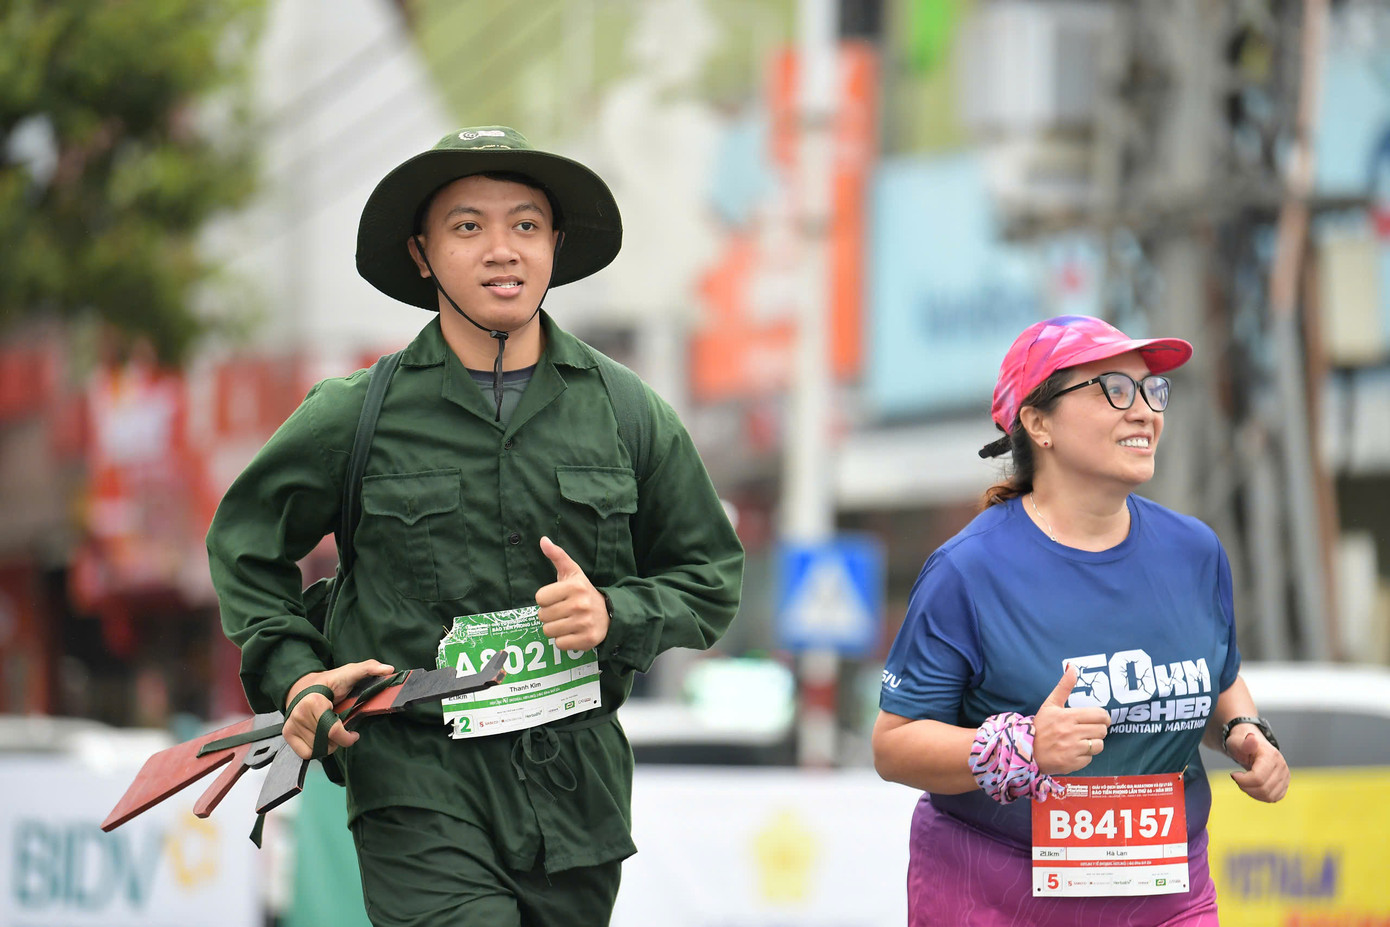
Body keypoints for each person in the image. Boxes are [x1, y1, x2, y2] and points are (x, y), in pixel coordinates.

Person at [207, 126, 744, 927]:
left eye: (526, 224)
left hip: (575, 794)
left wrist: (614, 613)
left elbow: (710, 577)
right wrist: (297, 676)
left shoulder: (629, 414)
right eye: (468, 226)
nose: (502, 249)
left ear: (555, 244)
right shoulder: (355, 415)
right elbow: (244, 546)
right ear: (421, 254)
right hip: (417, 781)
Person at [871, 315, 1289, 926]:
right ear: (1038, 424)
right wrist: (1020, 747)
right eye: (1114, 389)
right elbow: (893, 745)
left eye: (1152, 390)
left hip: (1167, 895)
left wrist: (1243, 732)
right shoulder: (969, 570)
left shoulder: (1194, 552)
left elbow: (1218, 680)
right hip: (997, 894)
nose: (1144, 411)